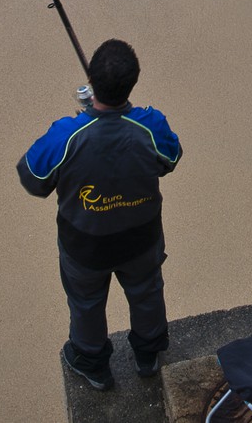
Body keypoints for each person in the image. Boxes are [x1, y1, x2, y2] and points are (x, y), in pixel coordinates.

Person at [17, 39, 183, 391]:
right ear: (133, 83)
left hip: (85, 246)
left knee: (86, 302)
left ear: (90, 82)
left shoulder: (66, 134)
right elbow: (170, 158)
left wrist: (78, 125)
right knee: (146, 292)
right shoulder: (150, 126)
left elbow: (32, 177)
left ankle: (92, 363)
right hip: (141, 239)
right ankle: (148, 354)